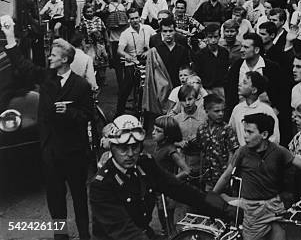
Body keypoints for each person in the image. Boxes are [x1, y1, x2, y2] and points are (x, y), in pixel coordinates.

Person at [2, 19, 93, 240]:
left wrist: (70, 113)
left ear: (64, 59)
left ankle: (84, 235)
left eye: (53, 55)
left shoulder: (81, 86)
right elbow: (23, 66)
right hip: (52, 153)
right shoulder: (46, 79)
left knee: (80, 198)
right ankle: (60, 236)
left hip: (75, 153)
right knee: (55, 199)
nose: (49, 57)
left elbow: (88, 116)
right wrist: (10, 36)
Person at [90, 114, 233, 240]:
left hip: (143, 233)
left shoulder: (145, 164)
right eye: (123, 148)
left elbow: (179, 189)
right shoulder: (102, 185)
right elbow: (123, 231)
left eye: (135, 147)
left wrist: (226, 209)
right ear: (112, 148)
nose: (130, 154)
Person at [213, 113, 301, 240]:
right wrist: (211, 195)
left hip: (274, 207)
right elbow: (226, 176)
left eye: (250, 132)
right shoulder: (242, 152)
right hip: (252, 210)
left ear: (264, 135)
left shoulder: (278, 151)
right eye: (245, 131)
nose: (245, 136)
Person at [183, 94, 239, 191]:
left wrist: (227, 176)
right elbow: (201, 152)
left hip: (223, 178)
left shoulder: (227, 130)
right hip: (207, 178)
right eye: (217, 111)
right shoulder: (201, 130)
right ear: (206, 111)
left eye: (223, 111)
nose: (221, 114)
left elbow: (232, 154)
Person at [151, 115, 191, 235]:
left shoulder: (170, 150)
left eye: (158, 131)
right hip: (159, 190)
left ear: (167, 135)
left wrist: (170, 180)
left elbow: (186, 170)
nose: (153, 133)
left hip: (167, 193)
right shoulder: (159, 146)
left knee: (168, 221)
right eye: (153, 129)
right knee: (162, 218)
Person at [229, 71, 281, 145]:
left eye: (244, 83)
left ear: (254, 90)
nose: (239, 85)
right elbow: (231, 133)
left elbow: (274, 138)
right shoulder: (237, 109)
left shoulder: (266, 110)